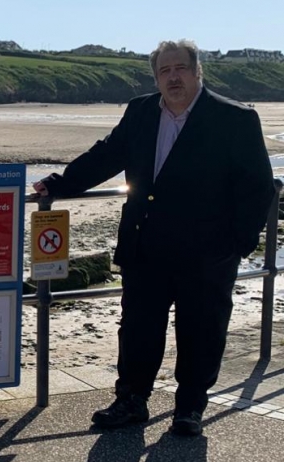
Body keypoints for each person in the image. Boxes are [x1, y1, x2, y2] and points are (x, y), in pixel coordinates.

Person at [33, 40, 274, 437]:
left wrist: (237, 245)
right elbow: (107, 155)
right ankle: (131, 399)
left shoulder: (235, 119)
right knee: (138, 329)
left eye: (181, 68)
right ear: (156, 77)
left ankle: (190, 407)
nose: (174, 76)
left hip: (207, 253)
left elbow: (258, 187)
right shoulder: (141, 111)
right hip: (145, 246)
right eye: (165, 70)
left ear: (198, 72)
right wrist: (61, 182)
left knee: (201, 330)